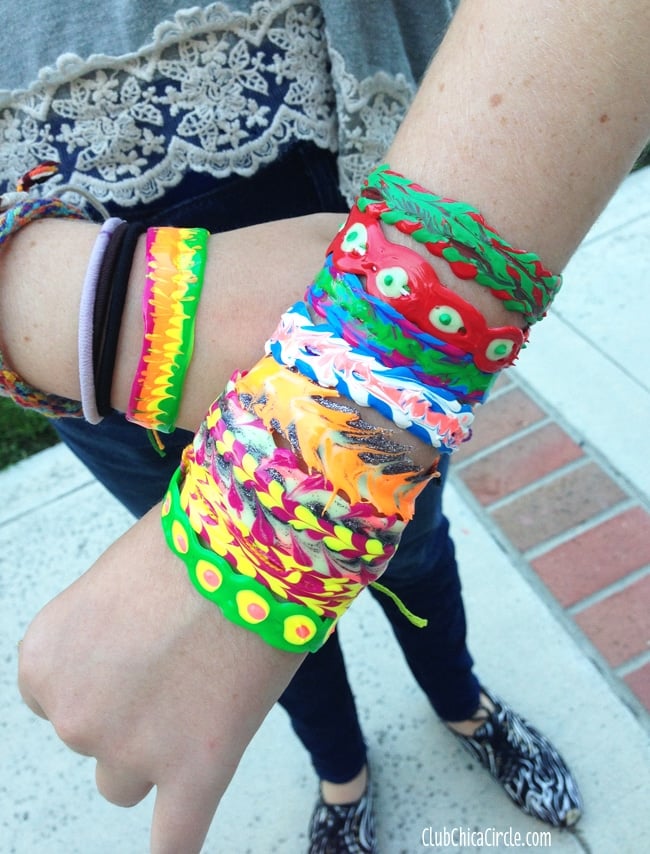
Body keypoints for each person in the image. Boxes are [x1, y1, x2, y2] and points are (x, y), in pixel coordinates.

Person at [2, 1, 648, 852]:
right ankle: (342, 775)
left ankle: (464, 706)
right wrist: (88, 307)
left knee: (411, 553)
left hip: (380, 230)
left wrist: (259, 519)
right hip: (86, 364)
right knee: (235, 648)